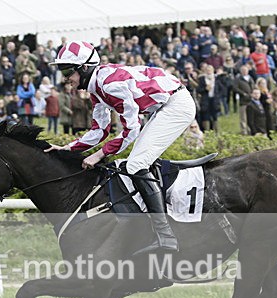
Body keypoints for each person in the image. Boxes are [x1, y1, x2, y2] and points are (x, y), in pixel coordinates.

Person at [45, 40, 196, 254]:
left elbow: (131, 130)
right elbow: (100, 131)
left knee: (135, 165)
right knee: (135, 163)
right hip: (164, 105)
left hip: (176, 106)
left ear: (85, 68)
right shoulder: (96, 88)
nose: (66, 78)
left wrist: (99, 154)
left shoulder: (110, 85)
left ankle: (166, 236)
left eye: (68, 71)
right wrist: (66, 148)